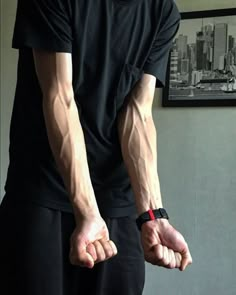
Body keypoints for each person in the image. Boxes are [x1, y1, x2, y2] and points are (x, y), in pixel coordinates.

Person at [0, 0, 192, 294]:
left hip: (117, 200)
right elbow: (60, 98)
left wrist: (153, 215)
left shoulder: (163, 12)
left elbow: (137, 113)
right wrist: (87, 212)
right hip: (42, 193)